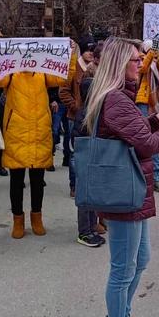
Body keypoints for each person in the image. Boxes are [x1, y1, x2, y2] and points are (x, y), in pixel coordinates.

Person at [80, 38, 159, 317]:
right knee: (123, 268)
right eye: (136, 60)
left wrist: (154, 120)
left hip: (132, 191)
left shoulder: (120, 97)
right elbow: (145, 144)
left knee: (140, 259)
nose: (141, 64)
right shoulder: (117, 99)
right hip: (125, 193)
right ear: (121, 64)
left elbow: (132, 134)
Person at [0, 43, 76, 238]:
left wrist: (70, 54)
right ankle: (17, 220)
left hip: (39, 132)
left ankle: (37, 218)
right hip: (16, 133)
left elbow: (64, 76)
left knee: (37, 180)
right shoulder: (11, 73)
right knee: (16, 181)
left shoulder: (43, 74)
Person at [70, 71, 106, 248]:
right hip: (85, 160)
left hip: (93, 160)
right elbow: (77, 139)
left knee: (92, 197)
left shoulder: (93, 111)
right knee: (85, 197)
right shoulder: (84, 113)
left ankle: (92, 228)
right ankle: (84, 232)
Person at [60, 34, 96, 197]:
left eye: (92, 49)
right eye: (88, 50)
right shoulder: (73, 68)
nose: (90, 53)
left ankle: (88, 184)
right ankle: (74, 185)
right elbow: (63, 91)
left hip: (93, 116)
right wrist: (76, 107)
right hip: (75, 117)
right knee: (74, 153)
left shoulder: (96, 68)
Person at [136, 41, 159, 193]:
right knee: (146, 137)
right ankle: (147, 176)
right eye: (154, 48)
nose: (157, 50)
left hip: (156, 103)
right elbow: (143, 68)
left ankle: (156, 177)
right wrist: (150, 54)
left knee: (155, 138)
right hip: (143, 102)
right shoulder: (141, 59)